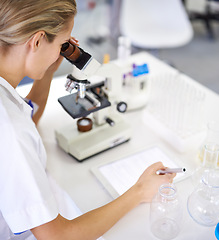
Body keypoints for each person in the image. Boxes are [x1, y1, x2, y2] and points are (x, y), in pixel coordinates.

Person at [0, 0, 176, 239]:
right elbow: (58, 236)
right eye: (63, 43)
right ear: (38, 40)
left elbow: (29, 116)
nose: (64, 50)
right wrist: (139, 192)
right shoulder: (10, 129)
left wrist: (47, 71)